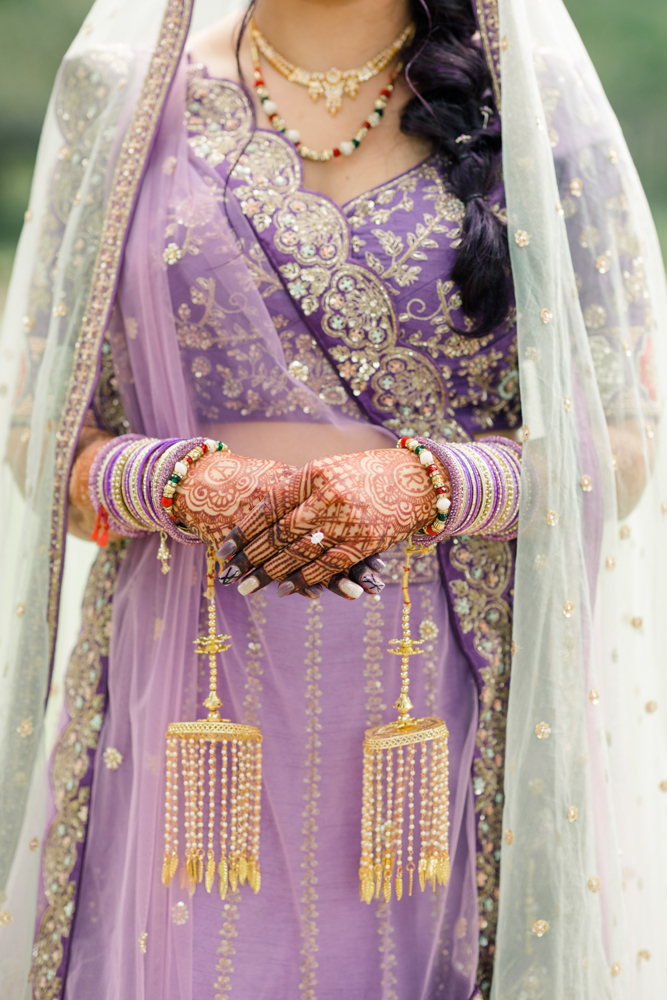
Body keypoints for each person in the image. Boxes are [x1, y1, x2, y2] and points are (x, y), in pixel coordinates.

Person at [1, 0, 666, 997]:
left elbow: (620, 444)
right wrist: (186, 481)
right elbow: (41, 433)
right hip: (185, 688)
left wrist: (425, 484)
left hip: (436, 700)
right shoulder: (126, 95)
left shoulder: (526, 109)